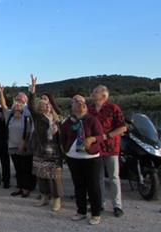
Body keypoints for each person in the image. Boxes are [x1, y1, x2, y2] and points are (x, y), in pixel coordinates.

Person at [61, 95, 104, 225]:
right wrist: (66, 150)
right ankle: (81, 211)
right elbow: (62, 137)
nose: (80, 104)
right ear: (72, 105)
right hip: (74, 158)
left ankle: (96, 214)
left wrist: (92, 139)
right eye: (76, 101)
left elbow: (101, 136)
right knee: (79, 186)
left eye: (82, 102)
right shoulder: (68, 122)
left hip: (90, 158)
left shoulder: (92, 120)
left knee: (93, 186)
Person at [88, 85, 126, 218]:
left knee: (114, 177)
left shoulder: (113, 108)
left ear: (104, 95)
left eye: (95, 91)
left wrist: (106, 136)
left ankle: (117, 206)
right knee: (97, 178)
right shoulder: (90, 109)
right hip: (95, 148)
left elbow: (122, 128)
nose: (92, 93)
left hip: (110, 148)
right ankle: (100, 203)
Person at [29, 74, 64, 212]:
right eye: (44, 104)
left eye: (49, 104)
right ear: (40, 107)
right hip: (41, 150)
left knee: (55, 176)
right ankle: (44, 196)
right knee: (41, 174)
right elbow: (30, 106)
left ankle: (57, 199)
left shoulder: (57, 118)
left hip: (54, 151)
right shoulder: (37, 117)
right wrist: (32, 91)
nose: (47, 106)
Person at [0, 84, 34, 198]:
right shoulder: (10, 116)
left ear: (23, 106)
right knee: (18, 168)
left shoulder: (26, 117)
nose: (17, 105)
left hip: (24, 146)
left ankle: (26, 188)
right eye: (16, 102)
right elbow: (3, 105)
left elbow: (28, 131)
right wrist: (1, 93)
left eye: (20, 103)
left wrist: (24, 142)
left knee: (26, 168)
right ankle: (20, 187)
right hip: (12, 146)